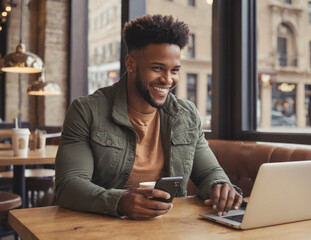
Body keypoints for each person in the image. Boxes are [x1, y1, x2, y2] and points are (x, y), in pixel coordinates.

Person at [55, 14, 242, 219]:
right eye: (157, 68)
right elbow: (69, 185)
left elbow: (209, 172)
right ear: (131, 63)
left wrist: (221, 187)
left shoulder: (186, 115)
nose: (168, 79)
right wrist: (120, 201)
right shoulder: (86, 111)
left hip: (169, 226)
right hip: (103, 224)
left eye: (175, 70)